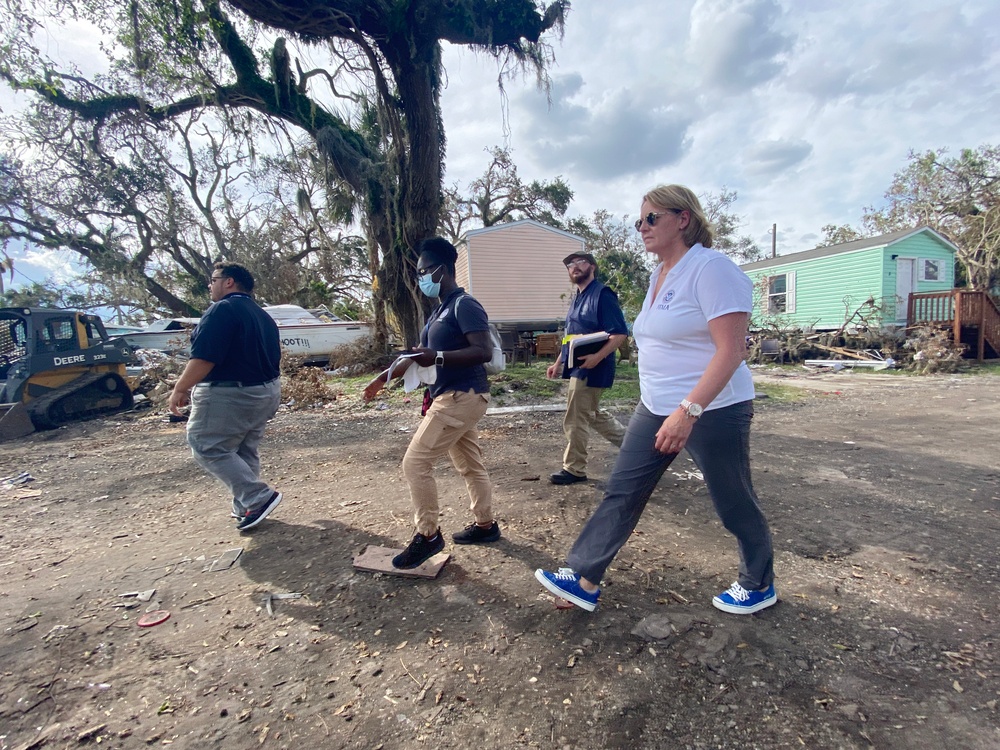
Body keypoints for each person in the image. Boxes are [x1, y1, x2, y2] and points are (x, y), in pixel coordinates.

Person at [535, 185, 776, 615]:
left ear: (682, 219)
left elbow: (731, 351)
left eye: (651, 219)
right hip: (656, 405)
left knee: (733, 500)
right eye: (638, 221)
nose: (641, 228)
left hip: (713, 408)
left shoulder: (712, 269)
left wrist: (689, 411)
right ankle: (584, 577)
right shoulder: (659, 273)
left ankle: (758, 583)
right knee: (623, 490)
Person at [363, 237, 499, 569]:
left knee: (415, 464)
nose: (420, 278)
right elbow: (417, 356)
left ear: (442, 270)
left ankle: (428, 535)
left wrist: (436, 356)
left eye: (424, 271)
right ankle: (485, 525)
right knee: (469, 464)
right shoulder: (438, 310)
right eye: (418, 272)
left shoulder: (463, 305)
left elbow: (483, 351)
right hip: (452, 395)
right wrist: (383, 379)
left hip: (461, 396)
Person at [169, 262, 283, 532]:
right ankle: (246, 505)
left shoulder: (222, 309)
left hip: (231, 392)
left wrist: (180, 388)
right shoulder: (262, 315)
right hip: (266, 390)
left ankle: (257, 497)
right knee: (243, 449)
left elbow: (205, 357)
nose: (210, 285)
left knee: (206, 444)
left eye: (213, 280)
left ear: (229, 282)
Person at [546, 251, 628, 485]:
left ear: (592, 266)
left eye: (579, 262)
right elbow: (569, 336)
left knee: (575, 417)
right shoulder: (577, 297)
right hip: (575, 366)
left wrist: (597, 357)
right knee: (591, 414)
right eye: (570, 265)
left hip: (593, 369)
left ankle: (574, 468)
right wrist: (558, 362)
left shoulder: (603, 295)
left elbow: (620, 333)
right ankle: (638, 447)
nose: (574, 267)